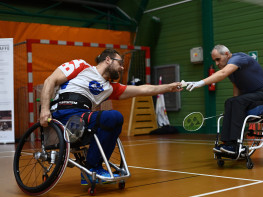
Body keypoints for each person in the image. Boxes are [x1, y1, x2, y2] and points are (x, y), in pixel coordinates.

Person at [40, 48, 182, 185]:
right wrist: (44, 110)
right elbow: (50, 81)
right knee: (112, 116)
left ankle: (92, 168)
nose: (121, 68)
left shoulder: (110, 88)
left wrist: (169, 87)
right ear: (108, 59)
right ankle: (93, 167)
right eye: (120, 63)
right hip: (62, 113)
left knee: (115, 119)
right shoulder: (81, 66)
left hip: (82, 118)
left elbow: (143, 89)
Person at [186, 44, 263, 154]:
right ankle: (227, 144)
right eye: (215, 60)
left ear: (227, 54)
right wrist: (232, 109)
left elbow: (222, 73)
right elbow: (236, 86)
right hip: (251, 97)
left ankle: (235, 145)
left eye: (218, 59)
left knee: (236, 102)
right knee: (230, 102)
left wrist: (200, 83)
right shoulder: (231, 69)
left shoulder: (238, 58)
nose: (217, 63)